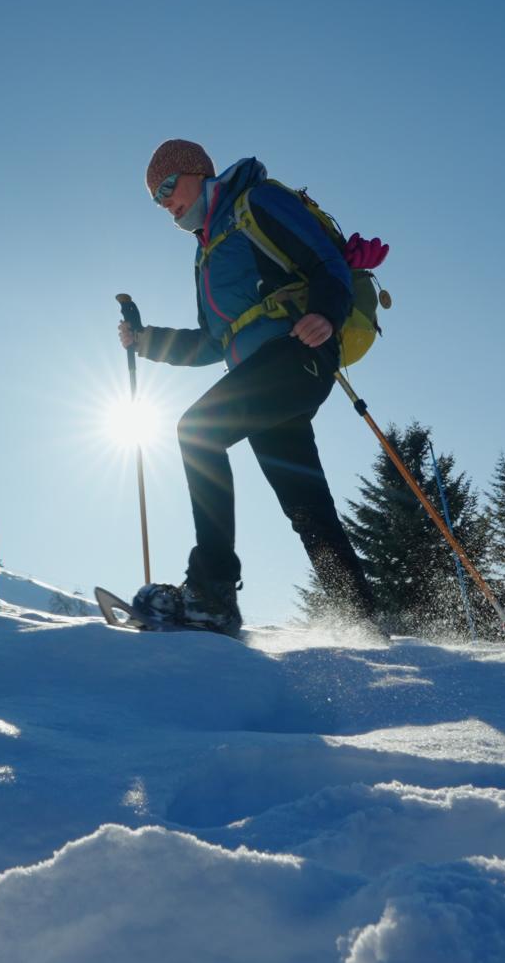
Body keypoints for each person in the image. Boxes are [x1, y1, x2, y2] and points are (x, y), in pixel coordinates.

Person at [118, 139, 376, 634]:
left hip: (296, 355)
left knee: (197, 431)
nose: (165, 202)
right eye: (156, 197)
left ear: (197, 173)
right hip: (258, 375)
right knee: (306, 506)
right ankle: (365, 622)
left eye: (168, 186)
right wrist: (146, 341)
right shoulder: (206, 255)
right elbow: (212, 343)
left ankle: (211, 592)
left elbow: (326, 261)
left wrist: (325, 311)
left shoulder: (255, 203)